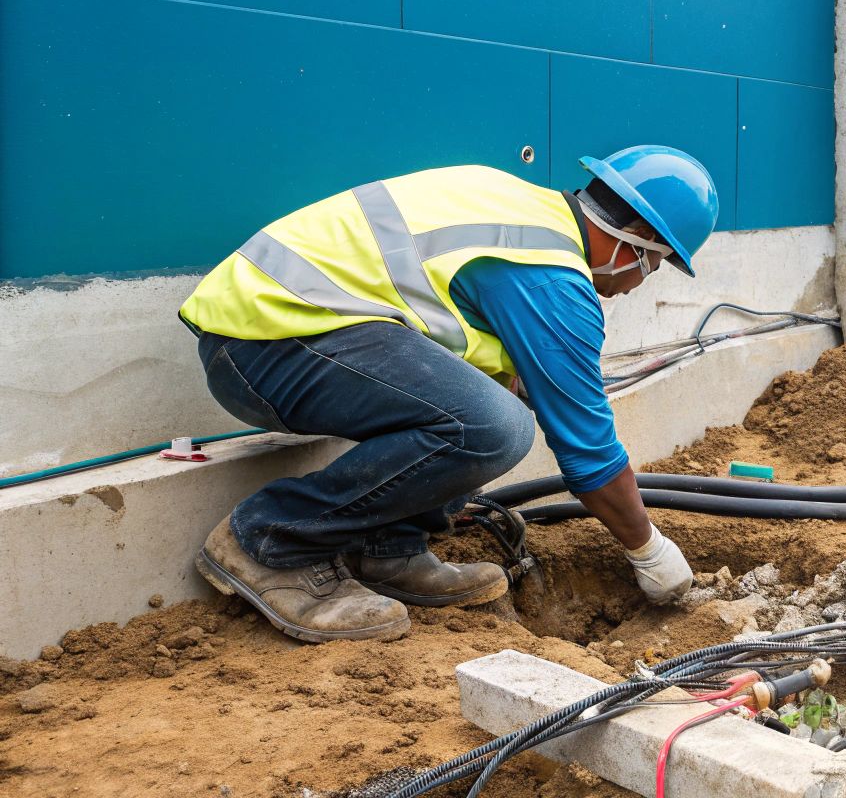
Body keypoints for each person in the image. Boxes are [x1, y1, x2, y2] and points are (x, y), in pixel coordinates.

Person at [178, 147, 717, 643]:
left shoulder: (518, 209)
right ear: (638, 239)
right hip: (268, 343)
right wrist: (649, 550)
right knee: (492, 426)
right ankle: (271, 542)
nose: (639, 281)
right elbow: (589, 457)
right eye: (656, 263)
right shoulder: (550, 275)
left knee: (496, 402)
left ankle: (390, 550)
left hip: (278, 333)